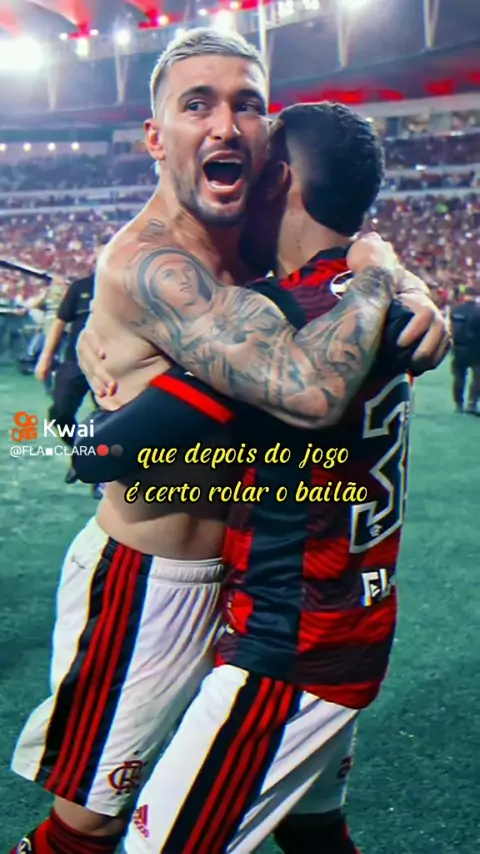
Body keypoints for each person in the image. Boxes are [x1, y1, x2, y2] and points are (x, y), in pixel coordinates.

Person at [10, 30, 448, 854]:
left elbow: (334, 242)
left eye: (246, 104)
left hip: (263, 582)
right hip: (157, 577)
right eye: (197, 104)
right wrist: (383, 275)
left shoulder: (257, 234)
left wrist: (406, 283)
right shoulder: (154, 262)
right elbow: (308, 382)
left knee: (301, 816)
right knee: (93, 822)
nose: (224, 124)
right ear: (156, 136)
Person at [34, 241, 106, 495]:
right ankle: (82, 453)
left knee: (108, 419)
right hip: (74, 362)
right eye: (100, 255)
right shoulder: (80, 287)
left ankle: (101, 475)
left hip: (108, 364)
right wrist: (46, 357)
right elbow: (60, 322)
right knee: (60, 414)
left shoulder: (126, 289)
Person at [450, 287, 480, 414]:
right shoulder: (478, 311)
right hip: (476, 348)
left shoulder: (455, 310)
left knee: (459, 377)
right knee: (477, 377)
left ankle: (458, 403)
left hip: (458, 347)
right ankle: (472, 403)